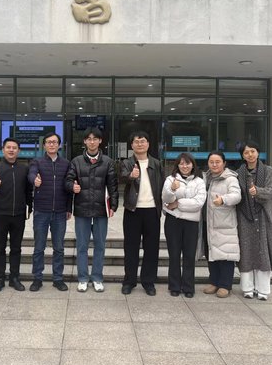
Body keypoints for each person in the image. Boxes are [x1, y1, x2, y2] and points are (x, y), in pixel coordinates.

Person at [66, 127, 118, 293]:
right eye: (89, 139)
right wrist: (72, 186)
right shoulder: (76, 161)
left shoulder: (108, 162)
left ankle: (97, 278)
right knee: (82, 246)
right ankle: (82, 278)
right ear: (85, 142)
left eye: (95, 139)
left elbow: (113, 186)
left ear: (100, 141)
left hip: (101, 210)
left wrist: (114, 205)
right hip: (82, 209)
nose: (92, 142)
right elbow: (68, 181)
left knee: (100, 246)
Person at [0, 138, 33, 293]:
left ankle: (14, 278)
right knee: (0, 248)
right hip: (1, 214)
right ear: (3, 150)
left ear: (19, 151)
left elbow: (28, 190)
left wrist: (29, 208)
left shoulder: (24, 169)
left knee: (16, 248)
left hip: (19, 214)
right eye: (8, 147)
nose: (11, 150)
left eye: (14, 148)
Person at [119, 131, 164, 296]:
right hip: (133, 210)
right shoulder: (126, 163)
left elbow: (163, 185)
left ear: (148, 144)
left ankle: (148, 282)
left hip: (152, 211)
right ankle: (129, 281)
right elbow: (121, 178)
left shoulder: (157, 164)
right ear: (131, 145)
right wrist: (131, 176)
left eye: (143, 141)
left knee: (151, 248)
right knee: (130, 248)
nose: (140, 144)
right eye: (136, 142)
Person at [236, 141, 272, 301]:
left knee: (263, 250)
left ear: (258, 152)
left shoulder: (268, 170)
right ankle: (247, 288)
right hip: (245, 215)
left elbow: (271, 190)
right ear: (242, 155)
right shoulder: (238, 173)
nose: (250, 155)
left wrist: (258, 192)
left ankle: (263, 289)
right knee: (246, 250)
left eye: (252, 151)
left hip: (264, 215)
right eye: (246, 152)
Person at [27, 132, 72, 292]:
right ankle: (37, 278)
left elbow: (69, 186)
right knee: (39, 247)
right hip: (41, 211)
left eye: (54, 142)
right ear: (44, 145)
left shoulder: (66, 164)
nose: (52, 144)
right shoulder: (37, 162)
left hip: (60, 212)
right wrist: (35, 180)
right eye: (48, 142)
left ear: (59, 145)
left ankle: (58, 279)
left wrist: (69, 208)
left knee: (59, 248)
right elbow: (31, 174)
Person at [161, 153, 206, 298]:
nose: (184, 166)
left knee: (189, 255)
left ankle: (188, 287)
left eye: (187, 163)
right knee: (174, 255)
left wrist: (177, 203)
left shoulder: (199, 181)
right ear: (177, 165)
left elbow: (198, 203)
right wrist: (172, 190)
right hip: (173, 222)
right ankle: (174, 286)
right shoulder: (170, 179)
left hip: (191, 223)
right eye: (181, 163)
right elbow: (165, 200)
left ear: (193, 165)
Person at [203, 151, 241, 298]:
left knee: (225, 254)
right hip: (208, 221)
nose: (214, 165)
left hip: (224, 223)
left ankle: (225, 285)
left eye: (217, 162)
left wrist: (223, 199)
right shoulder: (206, 178)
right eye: (211, 162)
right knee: (211, 253)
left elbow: (237, 196)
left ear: (224, 163)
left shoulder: (230, 179)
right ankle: (214, 282)